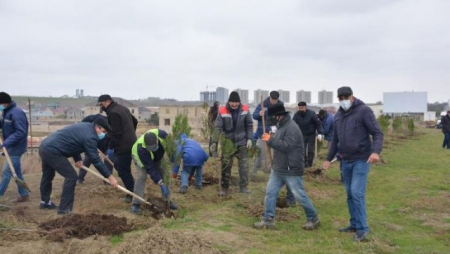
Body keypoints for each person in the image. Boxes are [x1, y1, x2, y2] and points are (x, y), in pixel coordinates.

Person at [322, 86, 384, 242]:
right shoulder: (337, 116)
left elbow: (377, 133)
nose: (344, 100)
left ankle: (363, 230)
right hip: (346, 161)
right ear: (338, 99)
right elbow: (335, 140)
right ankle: (354, 224)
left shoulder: (364, 111)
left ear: (352, 97)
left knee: (357, 193)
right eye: (341, 98)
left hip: (362, 159)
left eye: (346, 97)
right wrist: (328, 159)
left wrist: (375, 151)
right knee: (349, 194)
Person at [253, 104, 320, 230]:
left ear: (278, 116)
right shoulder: (281, 126)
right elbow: (280, 142)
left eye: (272, 117)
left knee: (299, 195)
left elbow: (287, 146)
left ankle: (313, 218)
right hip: (279, 168)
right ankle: (268, 219)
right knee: (270, 192)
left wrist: (270, 140)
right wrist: (271, 137)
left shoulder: (292, 128)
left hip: (291, 169)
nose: (271, 119)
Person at [39, 118, 118, 215]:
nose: (103, 134)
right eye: (103, 131)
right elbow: (95, 159)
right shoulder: (91, 136)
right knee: (71, 176)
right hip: (53, 151)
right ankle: (64, 210)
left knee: (48, 175)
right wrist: (109, 176)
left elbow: (74, 141)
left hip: (45, 146)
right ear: (97, 127)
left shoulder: (86, 126)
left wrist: (78, 159)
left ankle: (45, 202)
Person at [97, 94, 137, 203]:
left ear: (107, 102)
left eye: (101, 104)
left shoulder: (113, 113)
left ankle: (132, 194)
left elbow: (116, 133)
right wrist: (130, 133)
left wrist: (110, 146)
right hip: (132, 142)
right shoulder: (122, 108)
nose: (101, 107)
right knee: (121, 168)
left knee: (123, 170)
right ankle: (133, 190)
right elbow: (135, 121)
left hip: (123, 146)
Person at [213, 91, 253, 196]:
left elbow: (249, 124)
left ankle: (243, 187)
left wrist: (249, 138)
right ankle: (224, 188)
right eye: (232, 102)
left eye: (236, 102)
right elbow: (218, 128)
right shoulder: (222, 111)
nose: (234, 104)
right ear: (229, 102)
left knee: (244, 166)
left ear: (239, 102)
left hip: (242, 142)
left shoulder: (245, 109)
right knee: (226, 166)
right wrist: (215, 143)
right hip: (228, 143)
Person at [130, 129, 178, 214]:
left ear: (157, 141)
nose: (152, 149)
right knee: (142, 176)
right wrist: (160, 183)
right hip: (140, 157)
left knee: (165, 174)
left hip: (157, 157)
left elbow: (171, 147)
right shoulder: (141, 149)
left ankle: (167, 201)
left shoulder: (162, 135)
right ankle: (136, 203)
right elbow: (151, 168)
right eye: (150, 148)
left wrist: (172, 156)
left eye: (154, 147)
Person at [0, 92, 30, 202]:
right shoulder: (6, 111)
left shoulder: (16, 113)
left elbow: (20, 132)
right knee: (16, 172)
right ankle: (24, 194)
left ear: (4, 102)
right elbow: (4, 124)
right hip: (10, 146)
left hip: (16, 147)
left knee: (6, 172)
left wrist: (6, 143)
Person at [252, 91, 283, 177]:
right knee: (261, 153)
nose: (274, 101)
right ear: (270, 98)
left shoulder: (280, 105)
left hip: (275, 134)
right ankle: (254, 171)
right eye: (273, 99)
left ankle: (274, 172)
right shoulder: (263, 104)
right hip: (263, 133)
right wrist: (259, 114)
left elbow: (282, 118)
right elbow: (254, 115)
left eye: (276, 99)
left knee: (276, 154)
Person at [77, 114, 113, 185]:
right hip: (92, 142)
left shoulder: (111, 125)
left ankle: (107, 180)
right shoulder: (91, 121)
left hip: (105, 142)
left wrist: (109, 152)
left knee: (108, 159)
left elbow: (112, 141)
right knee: (88, 158)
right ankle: (80, 179)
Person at [292, 102, 323, 168]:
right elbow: (293, 124)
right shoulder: (297, 115)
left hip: (311, 134)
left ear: (306, 107)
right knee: (302, 150)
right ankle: (303, 163)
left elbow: (318, 123)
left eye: (302, 108)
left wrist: (320, 133)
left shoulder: (312, 114)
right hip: (302, 134)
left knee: (310, 150)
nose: (301, 109)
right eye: (299, 108)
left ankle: (309, 164)